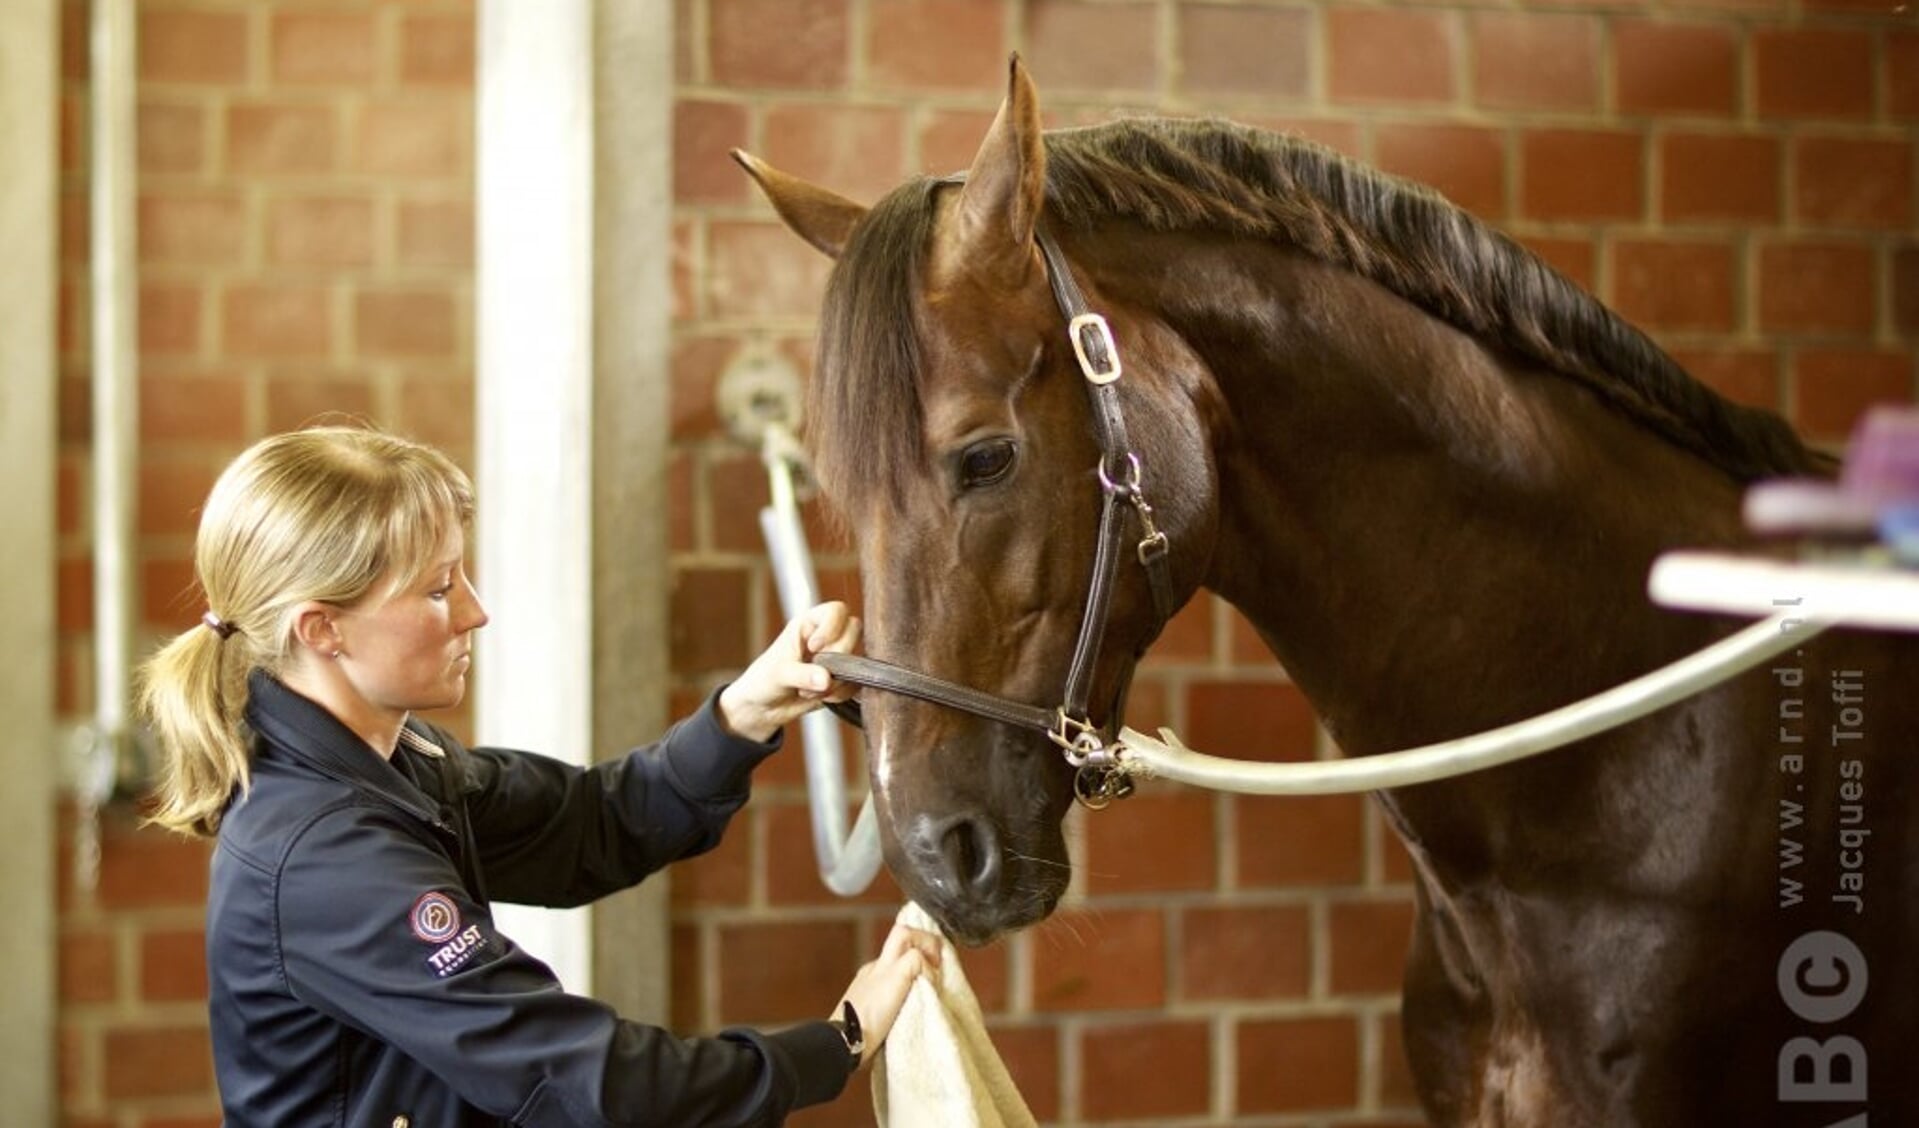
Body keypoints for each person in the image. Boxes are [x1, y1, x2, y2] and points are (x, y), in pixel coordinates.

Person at [138, 425, 939, 1126]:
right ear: (322, 629)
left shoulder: (397, 760)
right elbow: (594, 1085)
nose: (474, 612)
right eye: (438, 588)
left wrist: (744, 711)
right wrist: (839, 1040)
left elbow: (590, 824)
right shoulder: (326, 854)